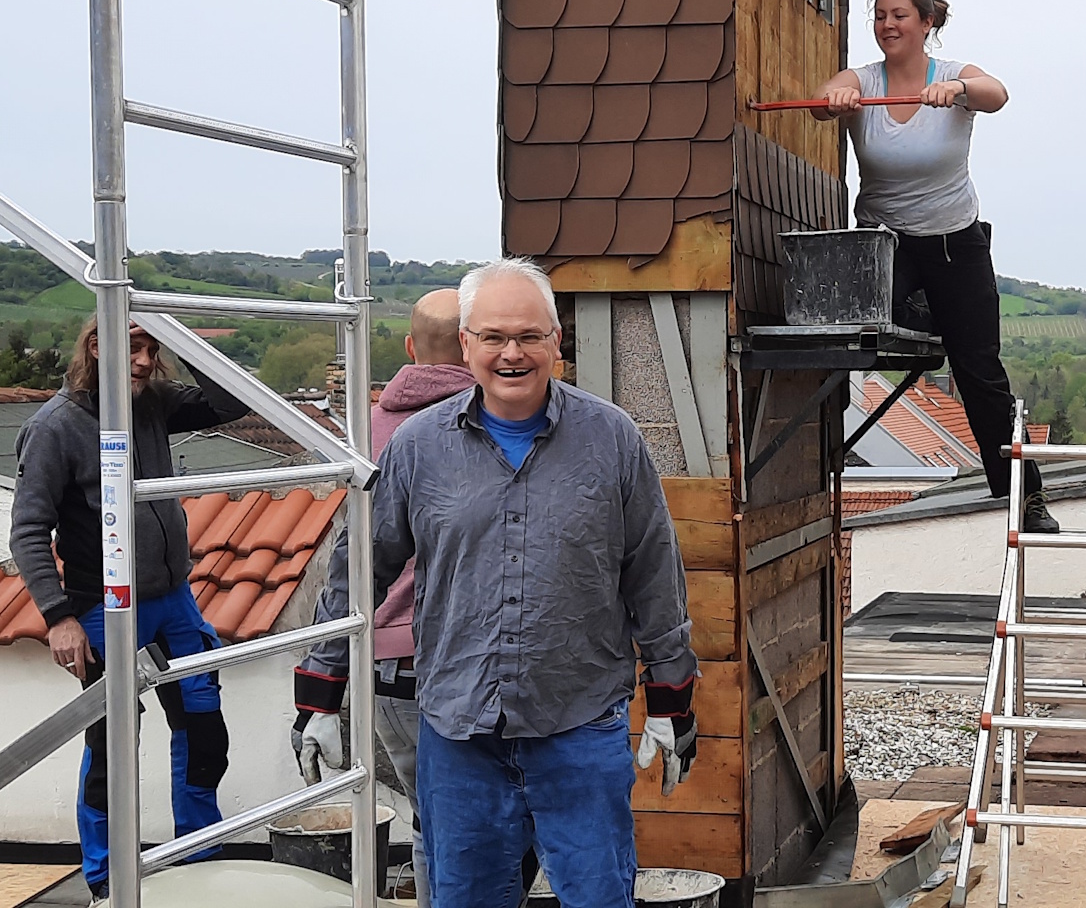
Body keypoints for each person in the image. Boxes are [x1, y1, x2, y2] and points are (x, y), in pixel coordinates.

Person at [293, 258, 699, 908]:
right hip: (458, 735)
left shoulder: (613, 441)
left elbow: (653, 572)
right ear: (466, 345)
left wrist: (673, 699)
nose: (512, 353)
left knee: (599, 898)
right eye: (493, 337)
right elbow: (360, 569)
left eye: (529, 336)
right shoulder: (418, 447)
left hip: (579, 722)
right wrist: (320, 690)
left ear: (556, 342)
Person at [9, 319, 250, 905]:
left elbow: (229, 401)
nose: (143, 363)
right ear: (96, 346)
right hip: (103, 608)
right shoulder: (56, 427)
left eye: (151, 350)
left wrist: (189, 345)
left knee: (203, 730)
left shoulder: (152, 402)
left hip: (174, 601)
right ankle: (105, 877)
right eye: (131, 348)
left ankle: (201, 855)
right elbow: (28, 531)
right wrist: (58, 616)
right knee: (113, 745)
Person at [814, 0, 1058, 532]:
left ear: (926, 23)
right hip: (887, 243)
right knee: (859, 323)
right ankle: (927, 314)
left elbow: (997, 94)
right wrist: (837, 101)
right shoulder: (864, 81)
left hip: (954, 243)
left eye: (899, 15)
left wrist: (962, 93)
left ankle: (1024, 495)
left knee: (980, 371)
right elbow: (822, 105)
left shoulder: (952, 76)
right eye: (879, 16)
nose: (887, 25)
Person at [289, 289, 473, 908]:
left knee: (435, 816)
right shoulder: (486, 424)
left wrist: (319, 689)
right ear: (475, 343)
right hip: (471, 656)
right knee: (482, 820)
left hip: (390, 661)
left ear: (409, 348)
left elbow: (350, 564)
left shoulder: (368, 429)